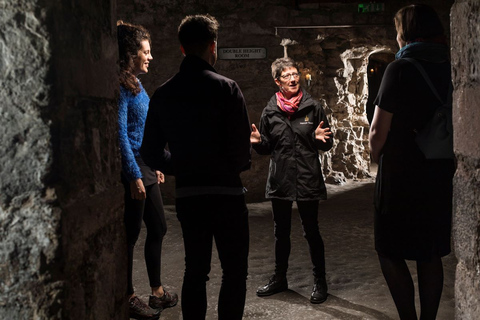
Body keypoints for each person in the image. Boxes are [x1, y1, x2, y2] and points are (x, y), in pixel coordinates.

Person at [140, 14, 251, 320]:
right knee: (234, 272)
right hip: (227, 194)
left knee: (196, 271)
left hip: (190, 195)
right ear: (212, 47)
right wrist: (223, 165)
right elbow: (242, 153)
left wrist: (181, 165)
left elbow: (150, 151)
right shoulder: (227, 88)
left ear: (182, 48)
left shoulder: (163, 93)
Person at [368, 4, 455, 320]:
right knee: (429, 251)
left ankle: (408, 318)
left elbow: (378, 129)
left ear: (406, 32)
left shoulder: (400, 68)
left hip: (401, 171)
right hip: (438, 168)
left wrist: (374, 153)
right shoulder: (450, 66)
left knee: (388, 248)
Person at [251, 57, 333, 304]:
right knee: (281, 232)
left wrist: (320, 139)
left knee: (312, 231)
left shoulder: (313, 107)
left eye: (295, 74)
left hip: (307, 176)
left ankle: (320, 281)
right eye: (287, 76)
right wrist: (259, 143)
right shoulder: (270, 111)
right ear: (278, 81)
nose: (293, 78)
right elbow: (269, 146)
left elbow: (328, 142)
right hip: (281, 178)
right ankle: (280, 278)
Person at [117, 20, 178, 320]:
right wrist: (134, 174)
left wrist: (155, 163)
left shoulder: (136, 84)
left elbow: (143, 131)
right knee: (130, 234)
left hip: (146, 164)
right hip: (136, 167)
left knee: (159, 227)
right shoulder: (120, 87)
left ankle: (156, 293)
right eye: (146, 51)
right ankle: (128, 295)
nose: (151, 56)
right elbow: (121, 134)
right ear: (131, 53)